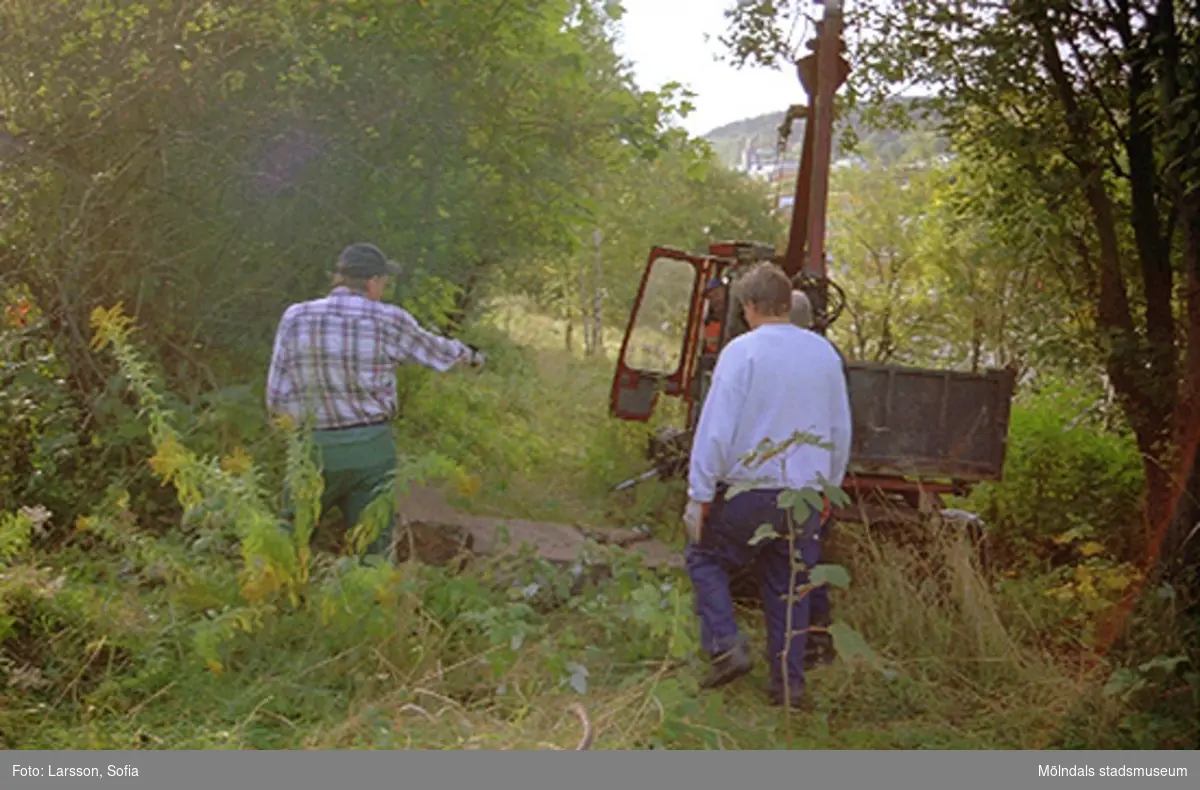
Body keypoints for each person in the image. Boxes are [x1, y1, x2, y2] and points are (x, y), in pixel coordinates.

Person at [683, 263, 852, 708]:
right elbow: (840, 429)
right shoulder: (824, 355)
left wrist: (700, 493)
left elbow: (716, 429)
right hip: (806, 494)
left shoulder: (743, 352)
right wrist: (828, 488)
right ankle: (788, 686)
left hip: (749, 489)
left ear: (751, 306)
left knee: (705, 557)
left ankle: (725, 644)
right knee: (790, 586)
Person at [266, 242, 485, 559]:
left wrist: (294, 439)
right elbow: (437, 351)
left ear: (337, 279)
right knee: (372, 542)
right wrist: (474, 357)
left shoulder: (295, 317)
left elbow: (275, 394)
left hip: (312, 448)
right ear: (372, 282)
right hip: (371, 450)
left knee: (287, 537)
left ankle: (274, 596)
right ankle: (370, 597)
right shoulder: (389, 320)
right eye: (383, 282)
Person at [789, 289, 844, 669]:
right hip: (814, 479)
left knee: (794, 564)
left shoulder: (770, 355)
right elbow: (840, 428)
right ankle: (816, 641)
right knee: (806, 559)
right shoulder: (827, 357)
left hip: (784, 478)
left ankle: (811, 645)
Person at [701, 278, 727, 355]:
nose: (714, 300)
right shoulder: (709, 323)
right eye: (710, 298)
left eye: (717, 294)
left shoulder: (742, 318)